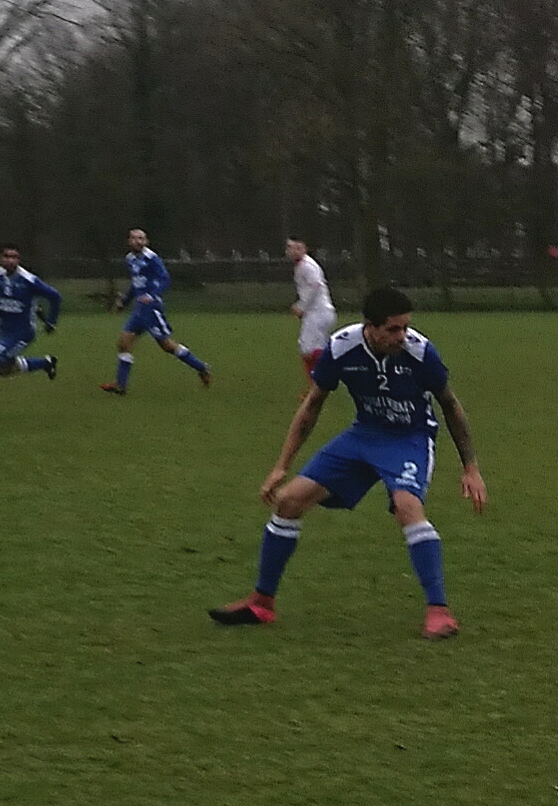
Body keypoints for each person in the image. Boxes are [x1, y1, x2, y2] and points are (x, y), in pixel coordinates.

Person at [209, 286, 488, 639]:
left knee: (407, 506)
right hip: (363, 436)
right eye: (393, 329)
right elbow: (312, 406)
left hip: (409, 439)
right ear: (369, 327)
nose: (402, 336)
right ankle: (261, 603)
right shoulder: (342, 348)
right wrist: (282, 464)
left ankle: (438, 611)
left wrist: (470, 467)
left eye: (405, 328)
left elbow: (450, 405)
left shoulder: (420, 352)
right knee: (288, 501)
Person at [100, 228, 212, 394]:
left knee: (167, 345)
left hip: (152, 309)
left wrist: (152, 295)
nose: (138, 241)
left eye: (141, 238)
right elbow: (135, 283)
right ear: (129, 241)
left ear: (146, 242)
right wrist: (124, 301)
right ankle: (120, 386)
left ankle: (202, 368)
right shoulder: (130, 259)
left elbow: (165, 279)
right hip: (138, 310)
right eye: (134, 238)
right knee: (123, 343)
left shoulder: (151, 258)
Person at [0, 244, 61, 421]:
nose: (11, 260)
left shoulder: (29, 280)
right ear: (0, 259)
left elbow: (55, 296)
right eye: (7, 256)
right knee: (4, 370)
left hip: (22, 332)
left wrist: (51, 322)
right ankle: (45, 363)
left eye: (14, 257)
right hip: (3, 332)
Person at [289, 238, 337, 376]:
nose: (293, 251)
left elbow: (315, 285)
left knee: (308, 350)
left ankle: (318, 384)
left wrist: (301, 306)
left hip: (318, 313)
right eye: (291, 248)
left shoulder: (306, 265)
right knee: (315, 349)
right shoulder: (302, 265)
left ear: (304, 249)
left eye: (298, 248)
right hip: (320, 312)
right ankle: (319, 384)